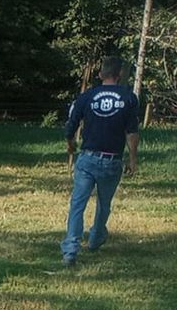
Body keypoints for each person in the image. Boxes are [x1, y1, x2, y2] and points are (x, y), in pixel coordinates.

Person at [61, 55, 142, 267]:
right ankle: (96, 239)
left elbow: (71, 125)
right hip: (112, 161)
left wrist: (71, 144)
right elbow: (132, 132)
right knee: (104, 204)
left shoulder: (87, 96)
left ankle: (70, 250)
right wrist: (133, 159)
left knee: (78, 204)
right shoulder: (129, 98)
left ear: (100, 74)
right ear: (120, 75)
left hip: (87, 158)